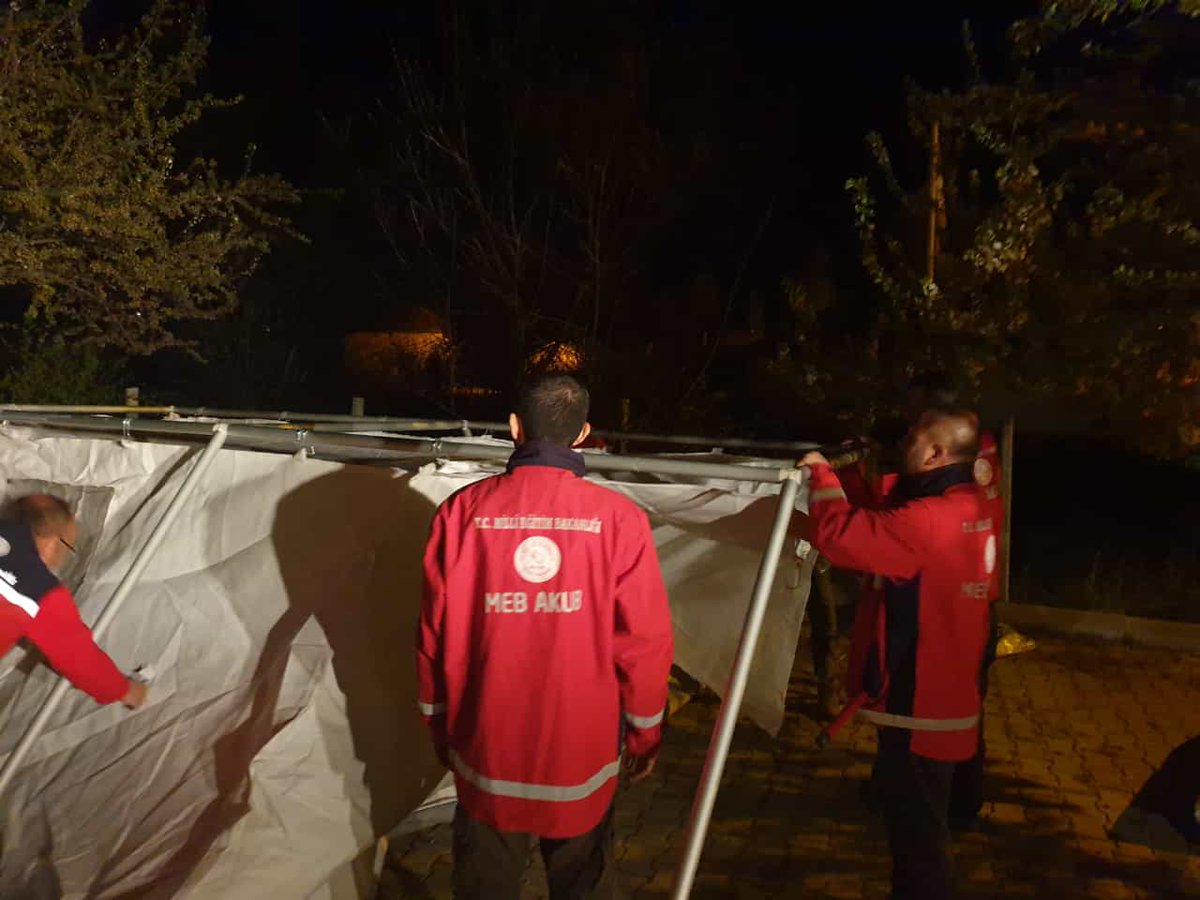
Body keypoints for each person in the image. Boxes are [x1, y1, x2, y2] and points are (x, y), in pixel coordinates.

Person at [417, 374, 674, 900]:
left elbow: (432, 635)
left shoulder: (461, 514)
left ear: (513, 428)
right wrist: (646, 733)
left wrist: (438, 723)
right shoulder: (620, 520)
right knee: (584, 883)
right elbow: (645, 643)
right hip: (579, 758)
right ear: (583, 434)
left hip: (487, 751)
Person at [801, 408, 997, 900]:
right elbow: (889, 522)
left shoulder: (929, 521)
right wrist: (850, 474)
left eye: (910, 439)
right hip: (949, 700)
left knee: (918, 850)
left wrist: (821, 476)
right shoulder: (970, 505)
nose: (901, 444)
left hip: (918, 710)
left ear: (935, 453)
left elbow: (842, 537)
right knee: (923, 837)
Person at [0, 495, 147, 709]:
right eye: (67, 546)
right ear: (52, 540)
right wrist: (126, 690)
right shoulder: (38, 592)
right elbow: (78, 657)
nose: (60, 558)